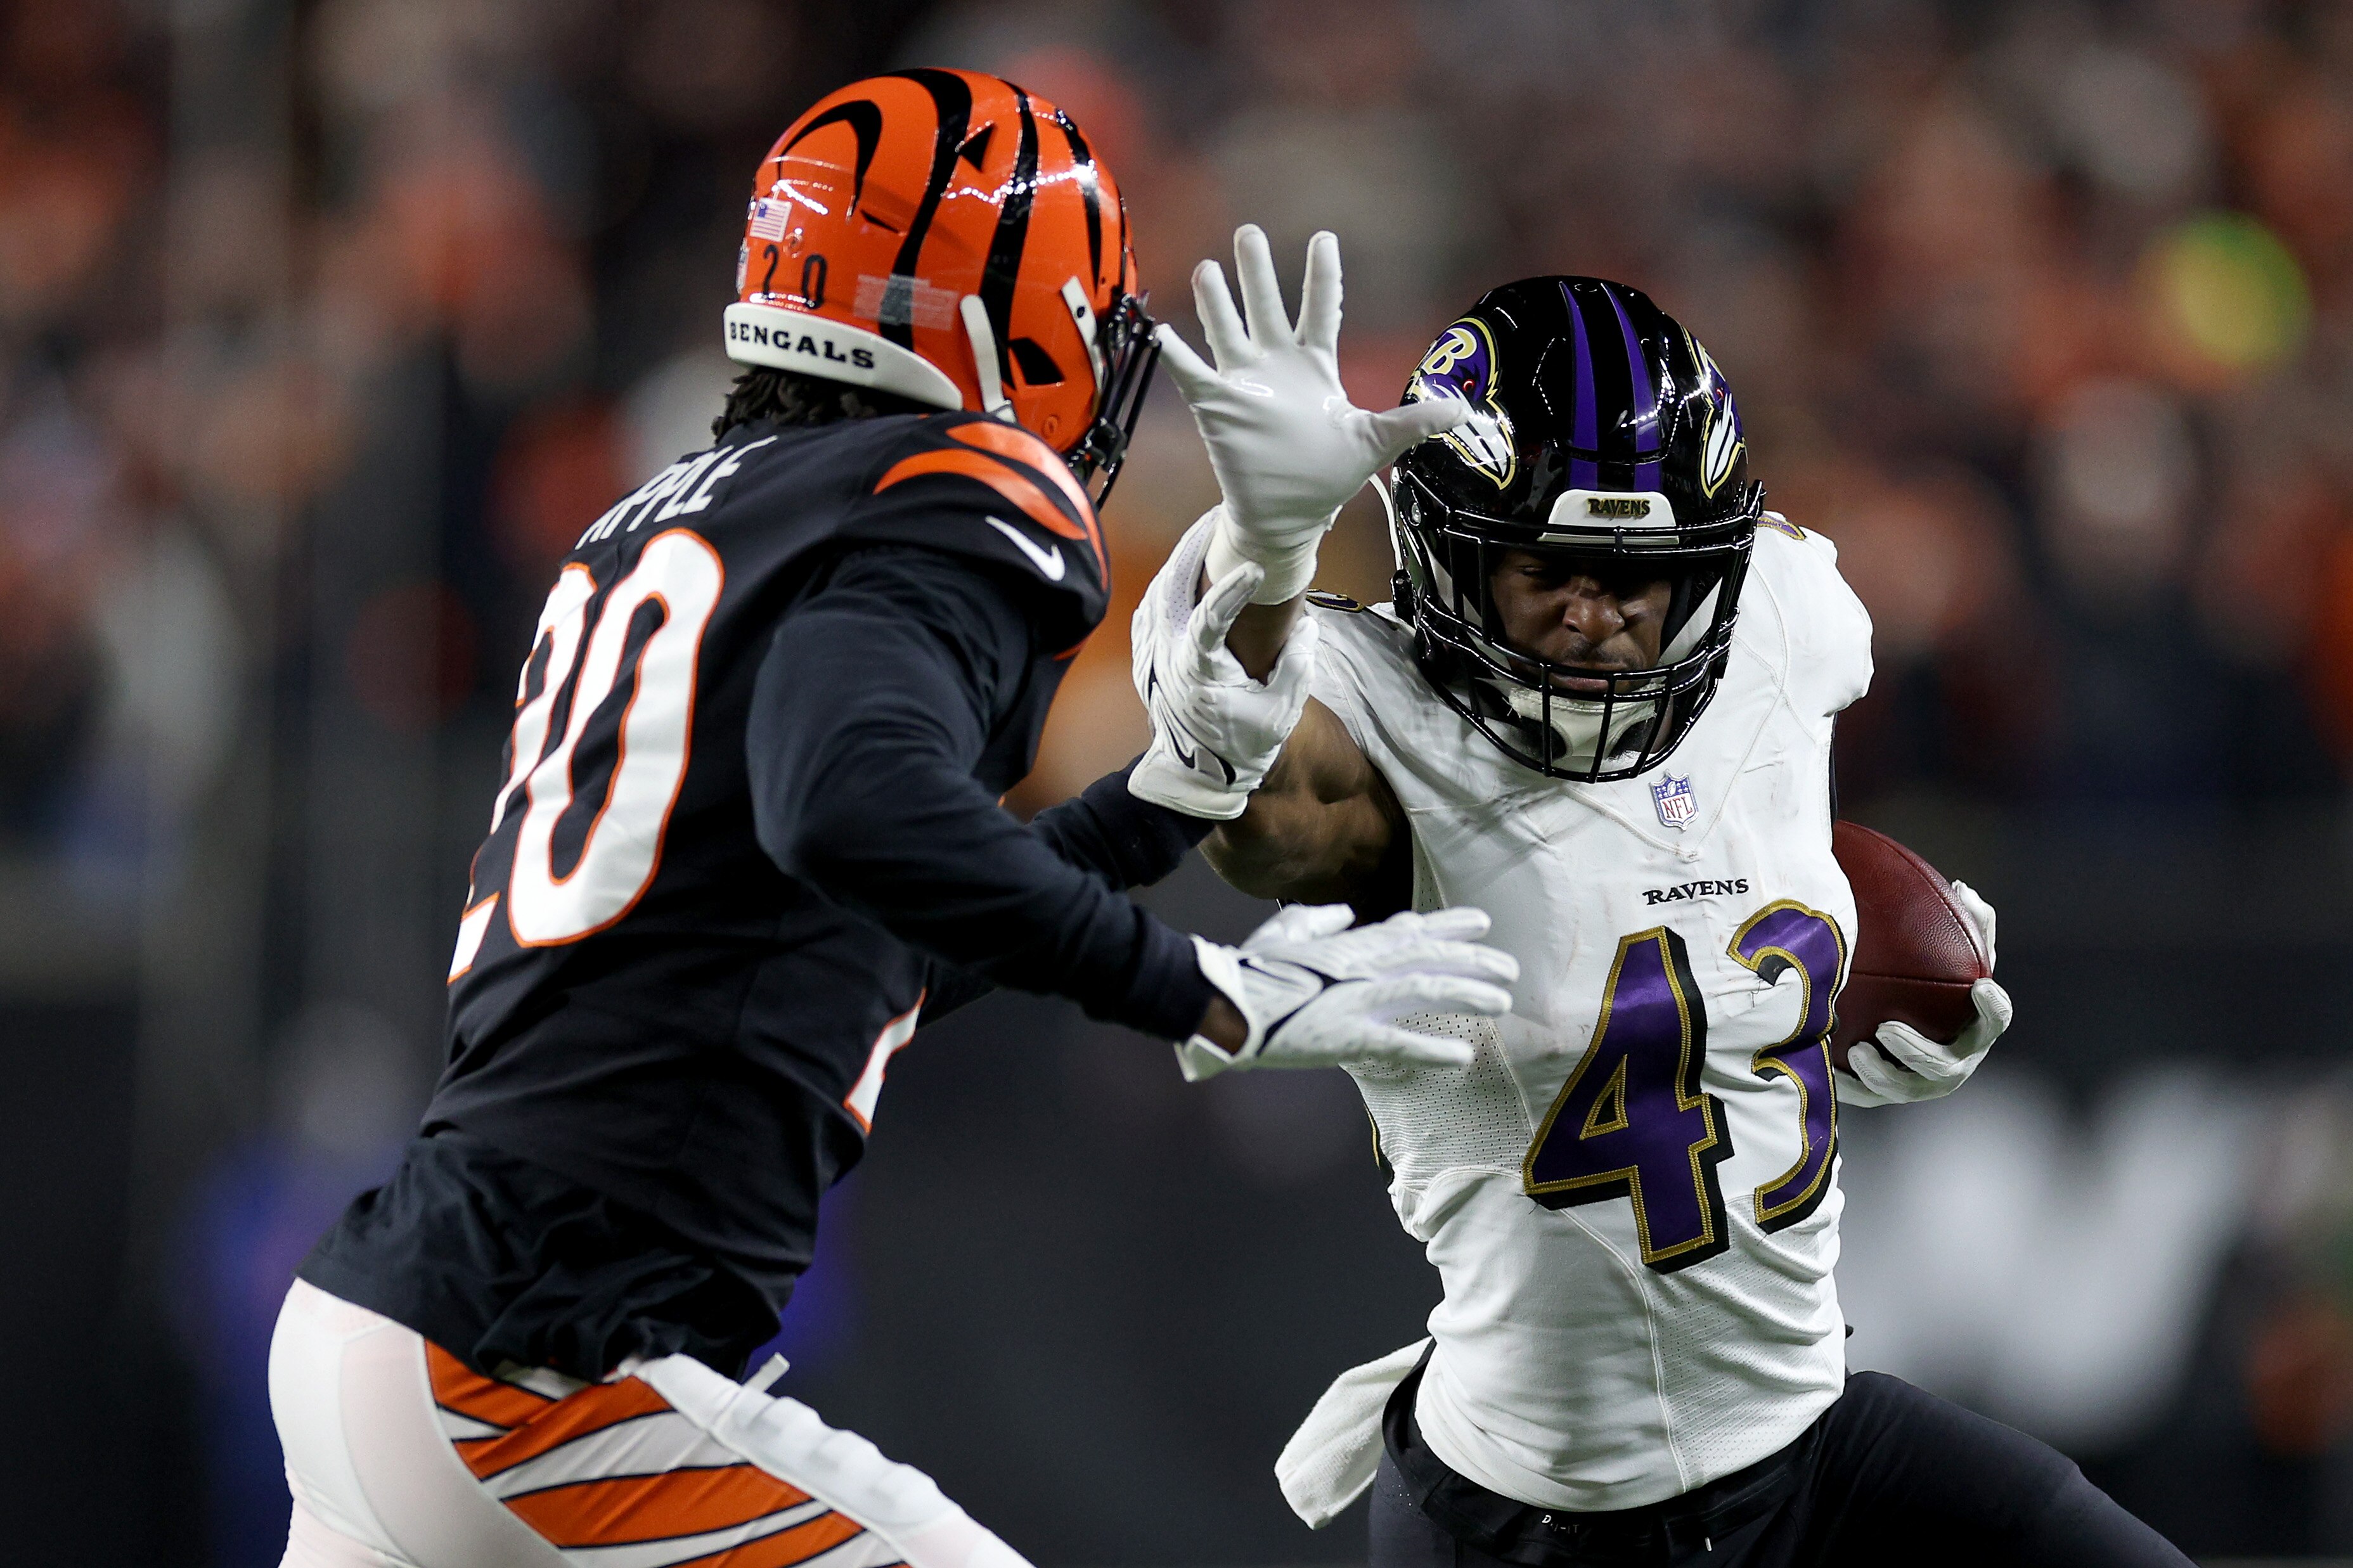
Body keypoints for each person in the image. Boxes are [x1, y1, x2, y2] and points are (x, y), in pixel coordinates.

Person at [266, 73, 1518, 1568]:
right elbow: (850, 807)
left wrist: (1162, 799)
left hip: (398, 1329)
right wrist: (1208, 989)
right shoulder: (944, 489)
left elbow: (867, 939)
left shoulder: (681, 513)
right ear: (1003, 320)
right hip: (542, 1376)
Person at [1128, 232, 2191, 1565]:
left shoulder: (1784, 616)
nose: (1596, 617)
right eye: (1544, 574)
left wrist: (1846, 999)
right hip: (1532, 1509)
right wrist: (1263, 552)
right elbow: (1258, 816)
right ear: (1448, 558)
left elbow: (1706, 877)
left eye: (1634, 575)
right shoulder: (1373, 709)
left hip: (1809, 1442)